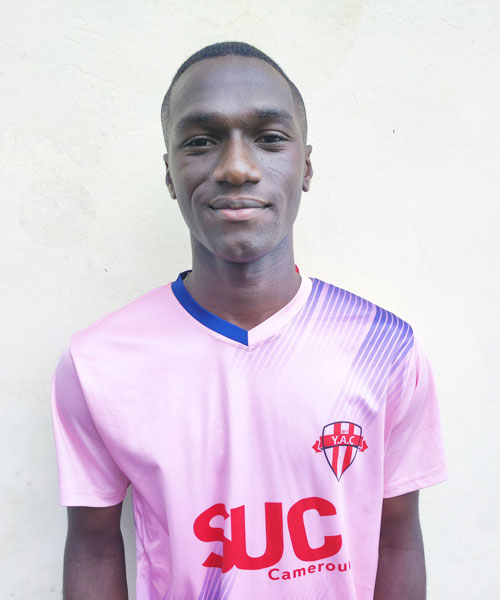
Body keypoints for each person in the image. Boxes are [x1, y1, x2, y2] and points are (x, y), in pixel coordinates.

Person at [51, 41, 447, 600]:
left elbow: (397, 538)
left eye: (270, 138)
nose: (236, 167)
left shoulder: (385, 348)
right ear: (170, 174)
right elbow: (93, 547)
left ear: (305, 166)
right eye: (201, 141)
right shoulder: (98, 362)